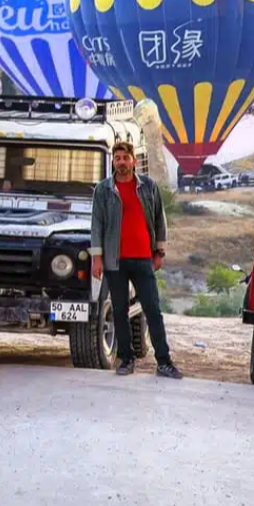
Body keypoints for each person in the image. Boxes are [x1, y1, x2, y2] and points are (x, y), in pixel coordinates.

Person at [89, 140, 180, 379]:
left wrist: (159, 252)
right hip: (114, 260)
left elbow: (160, 219)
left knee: (152, 310)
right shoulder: (103, 190)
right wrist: (96, 258)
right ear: (113, 162)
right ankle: (126, 360)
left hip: (143, 259)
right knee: (119, 311)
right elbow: (96, 224)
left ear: (134, 161)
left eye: (125, 158)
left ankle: (164, 362)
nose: (121, 162)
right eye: (117, 158)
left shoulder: (148, 186)